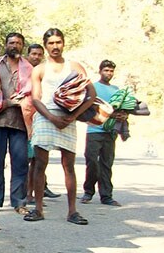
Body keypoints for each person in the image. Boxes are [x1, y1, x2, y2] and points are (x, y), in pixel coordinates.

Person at [24, 28, 95, 224]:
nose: (55, 46)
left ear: (64, 43)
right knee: (40, 163)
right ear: (45, 45)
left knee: (68, 165)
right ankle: (38, 209)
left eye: (58, 42)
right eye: (51, 43)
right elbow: (36, 99)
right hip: (46, 116)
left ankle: (72, 211)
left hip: (67, 116)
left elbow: (91, 95)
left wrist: (73, 116)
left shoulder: (75, 67)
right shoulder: (39, 69)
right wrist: (50, 117)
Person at [0, 33, 32, 215]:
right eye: (11, 42)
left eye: (18, 43)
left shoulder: (28, 68)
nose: (15, 45)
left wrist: (21, 102)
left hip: (19, 121)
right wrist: (4, 103)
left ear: (23, 46)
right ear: (6, 44)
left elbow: (33, 93)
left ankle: (19, 202)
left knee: (20, 163)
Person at [80, 60, 126, 206]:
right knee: (92, 162)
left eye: (111, 71)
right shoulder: (93, 87)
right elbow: (89, 107)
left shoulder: (116, 90)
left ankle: (106, 196)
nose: (109, 73)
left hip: (110, 132)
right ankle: (88, 192)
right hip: (94, 130)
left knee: (106, 164)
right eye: (106, 70)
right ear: (100, 71)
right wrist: (110, 114)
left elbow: (121, 108)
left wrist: (122, 116)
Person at [25, 43, 60, 203]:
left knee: (38, 160)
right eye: (33, 54)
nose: (36, 57)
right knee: (25, 160)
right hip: (24, 120)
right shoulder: (24, 71)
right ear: (28, 54)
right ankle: (26, 194)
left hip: (40, 120)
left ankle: (38, 190)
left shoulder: (45, 73)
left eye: (39, 54)